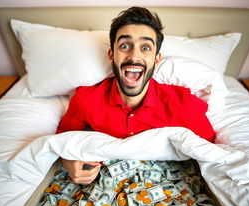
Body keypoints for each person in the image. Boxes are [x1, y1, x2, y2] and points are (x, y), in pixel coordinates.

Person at [56, 6, 215, 184]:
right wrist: (68, 160)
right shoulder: (86, 99)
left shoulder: (183, 104)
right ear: (111, 56)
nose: (134, 56)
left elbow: (209, 149)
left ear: (156, 59)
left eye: (145, 47)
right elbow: (63, 139)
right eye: (124, 45)